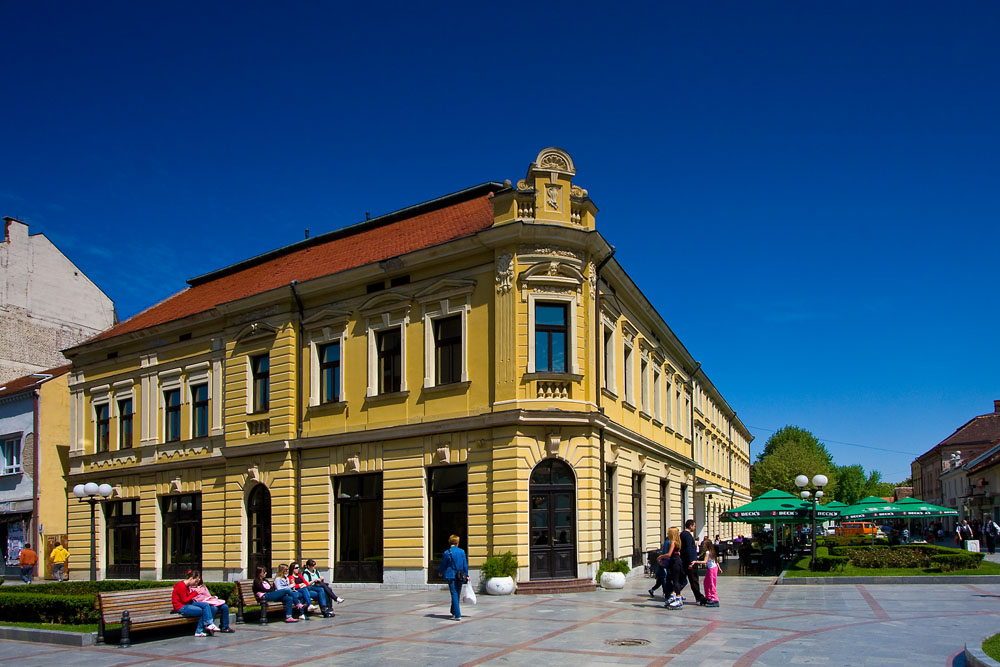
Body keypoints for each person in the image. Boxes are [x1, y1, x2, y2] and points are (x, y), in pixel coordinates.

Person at [172, 570, 231, 636]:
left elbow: (187, 597)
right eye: (195, 581)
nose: (195, 583)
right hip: (181, 607)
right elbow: (184, 600)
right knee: (204, 611)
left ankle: (207, 626)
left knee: (206, 607)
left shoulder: (186, 586)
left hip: (187, 605)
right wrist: (195, 593)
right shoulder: (181, 586)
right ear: (191, 578)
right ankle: (202, 629)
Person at [437, 534, 468, 621]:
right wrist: (467, 575)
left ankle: (457, 614)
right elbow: (465, 564)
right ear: (457, 542)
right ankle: (453, 610)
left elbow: (443, 564)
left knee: (454, 593)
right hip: (460, 575)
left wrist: (440, 572)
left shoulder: (447, 552)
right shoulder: (461, 552)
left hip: (451, 575)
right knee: (457, 593)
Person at [679, 520, 706, 605]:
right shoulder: (687, 536)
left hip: (684, 561)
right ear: (690, 526)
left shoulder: (682, 534)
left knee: (682, 580)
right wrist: (692, 562)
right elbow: (688, 549)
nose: (694, 527)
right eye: (694, 526)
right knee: (694, 580)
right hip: (690, 562)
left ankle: (673, 593)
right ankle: (699, 597)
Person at [657, 526, 684, 609]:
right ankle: (672, 595)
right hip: (675, 561)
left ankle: (678, 598)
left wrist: (661, 556)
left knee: (675, 580)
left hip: (675, 563)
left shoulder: (673, 542)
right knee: (669, 579)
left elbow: (669, 554)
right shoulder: (678, 542)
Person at [692, 541, 722, 607]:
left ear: (707, 545)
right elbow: (716, 561)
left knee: (711, 584)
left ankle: (715, 599)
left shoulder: (708, 552)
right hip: (712, 569)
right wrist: (719, 568)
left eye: (704, 545)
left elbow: (705, 562)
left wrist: (695, 562)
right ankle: (708, 596)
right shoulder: (712, 551)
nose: (703, 546)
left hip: (712, 569)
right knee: (706, 582)